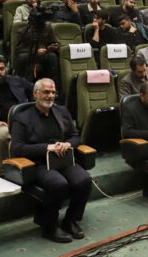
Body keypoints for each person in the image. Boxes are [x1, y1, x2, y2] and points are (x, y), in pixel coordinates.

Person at [10, 79, 92, 243]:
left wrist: (68, 144)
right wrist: (47, 147)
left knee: (84, 180)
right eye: (46, 92)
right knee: (58, 184)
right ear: (35, 94)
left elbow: (75, 136)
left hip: (63, 160)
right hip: (39, 163)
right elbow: (16, 148)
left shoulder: (62, 111)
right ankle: (49, 227)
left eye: (53, 92)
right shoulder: (22, 117)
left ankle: (70, 220)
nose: (50, 96)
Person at [0, 57, 34, 174]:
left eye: (2, 69)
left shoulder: (17, 81)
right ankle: (4, 172)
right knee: (3, 133)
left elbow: (35, 90)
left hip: (21, 122)